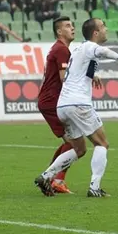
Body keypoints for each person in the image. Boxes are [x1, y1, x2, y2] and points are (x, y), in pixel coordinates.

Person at [34, 18, 118, 198]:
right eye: (103, 27)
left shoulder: (78, 50)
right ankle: (95, 187)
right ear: (95, 33)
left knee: (79, 149)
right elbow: (101, 51)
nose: (106, 29)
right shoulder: (88, 47)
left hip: (63, 106)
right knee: (102, 143)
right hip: (78, 104)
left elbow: (77, 71)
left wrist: (92, 75)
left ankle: (46, 176)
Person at [36, 17, 79, 194]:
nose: (73, 28)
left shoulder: (59, 49)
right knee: (76, 143)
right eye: (68, 26)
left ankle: (53, 178)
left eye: (72, 25)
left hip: (51, 101)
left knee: (72, 142)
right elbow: (64, 79)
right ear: (59, 32)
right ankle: (54, 178)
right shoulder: (61, 50)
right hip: (53, 102)